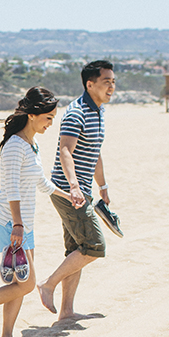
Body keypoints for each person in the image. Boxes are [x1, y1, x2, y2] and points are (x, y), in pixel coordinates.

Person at [0, 87, 83, 337]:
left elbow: (42, 183)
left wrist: (70, 196)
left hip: (23, 224)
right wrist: (17, 224)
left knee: (19, 282)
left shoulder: (32, 144)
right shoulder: (15, 146)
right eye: (48, 118)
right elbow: (11, 188)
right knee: (27, 284)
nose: (51, 123)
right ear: (32, 115)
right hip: (10, 223)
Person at [38, 60, 117, 320]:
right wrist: (74, 186)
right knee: (93, 246)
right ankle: (47, 284)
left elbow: (95, 153)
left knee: (76, 249)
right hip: (67, 190)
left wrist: (102, 186)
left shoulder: (98, 111)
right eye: (107, 82)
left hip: (81, 190)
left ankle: (67, 312)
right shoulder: (77, 112)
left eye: (113, 82)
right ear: (89, 84)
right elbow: (65, 150)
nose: (111, 87)